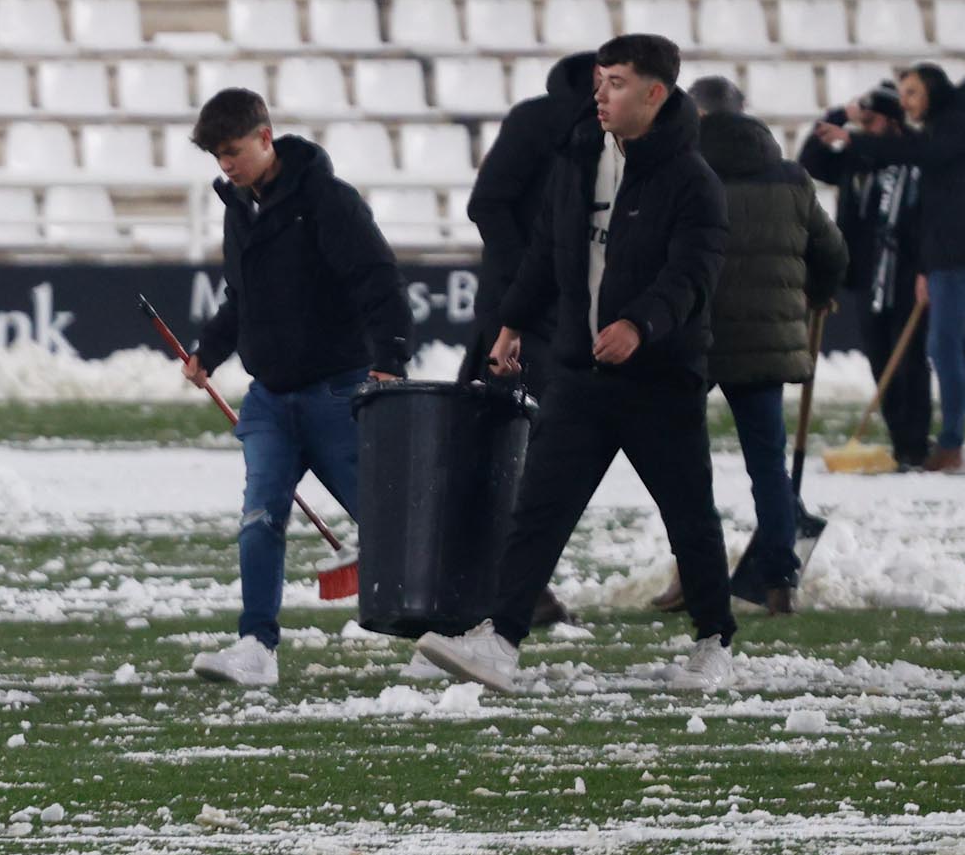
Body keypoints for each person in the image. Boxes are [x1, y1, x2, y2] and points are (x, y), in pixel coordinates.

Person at [417, 34, 738, 696]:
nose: (601, 93)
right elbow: (546, 249)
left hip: (661, 380)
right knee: (540, 508)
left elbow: (693, 276)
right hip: (579, 375)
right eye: (599, 80)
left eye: (617, 83)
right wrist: (511, 320)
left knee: (689, 515)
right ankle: (501, 638)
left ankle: (715, 640)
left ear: (656, 93)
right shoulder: (578, 159)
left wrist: (638, 325)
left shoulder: (693, 182)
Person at [178, 88, 411, 688]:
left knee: (385, 518)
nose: (225, 165)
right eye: (216, 156)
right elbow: (243, 297)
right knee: (260, 517)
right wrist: (210, 349)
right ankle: (256, 645)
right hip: (270, 399)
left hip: (338, 391)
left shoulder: (329, 201)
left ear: (265, 136)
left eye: (232, 151)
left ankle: (449, 622)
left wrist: (389, 361)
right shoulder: (238, 206)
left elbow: (377, 280)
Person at [692, 78, 846, 613]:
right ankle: (780, 577)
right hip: (764, 340)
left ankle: (694, 575)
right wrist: (819, 295)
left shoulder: (684, 172)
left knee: (682, 465)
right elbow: (832, 250)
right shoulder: (790, 177)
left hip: (694, 338)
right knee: (767, 464)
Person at [812, 60, 965, 472]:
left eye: (913, 93)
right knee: (962, 351)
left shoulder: (958, 125)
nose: (907, 103)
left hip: (958, 256)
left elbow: (917, 154)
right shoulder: (955, 126)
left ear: (932, 91)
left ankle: (952, 446)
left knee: (944, 348)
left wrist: (853, 138)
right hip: (956, 256)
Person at [803, 83, 928, 472]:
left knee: (909, 361)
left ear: (892, 121)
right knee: (879, 360)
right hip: (867, 272)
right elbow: (811, 160)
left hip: (907, 274)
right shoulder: (857, 156)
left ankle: (916, 445)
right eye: (864, 121)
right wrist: (841, 114)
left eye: (872, 121)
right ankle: (900, 440)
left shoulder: (914, 153)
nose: (865, 128)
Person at [467, 52, 597, 380]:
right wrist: (528, 277)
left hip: (591, 304)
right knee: (517, 414)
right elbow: (488, 204)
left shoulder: (634, 132)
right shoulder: (534, 120)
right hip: (520, 302)